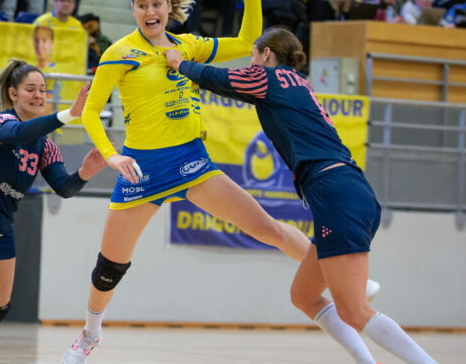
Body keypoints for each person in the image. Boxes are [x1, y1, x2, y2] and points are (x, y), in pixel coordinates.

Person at [60, 0, 313, 364]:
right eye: (141, 6)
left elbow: (248, 41)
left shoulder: (189, 46)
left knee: (268, 228)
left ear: (167, 8)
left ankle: (343, 275)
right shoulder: (119, 53)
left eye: (156, 4)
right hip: (141, 170)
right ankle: (90, 334)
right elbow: (92, 111)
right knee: (110, 266)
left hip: (191, 162)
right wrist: (111, 154)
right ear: (133, 11)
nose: (149, 12)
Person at [164, 27, 439, 364]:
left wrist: (181, 64)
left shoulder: (272, 76)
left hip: (335, 192)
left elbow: (221, 78)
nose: (251, 63)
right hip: (345, 190)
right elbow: (233, 88)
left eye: (254, 56)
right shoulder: (296, 82)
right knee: (304, 295)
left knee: (354, 310)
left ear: (266, 54)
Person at [0, 61, 107, 364]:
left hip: (0, 225)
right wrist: (69, 115)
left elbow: (64, 188)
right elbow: (19, 132)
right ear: (13, 94)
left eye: (43, 90)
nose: (38, 95)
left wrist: (84, 172)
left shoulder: (46, 146)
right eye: (30, 89)